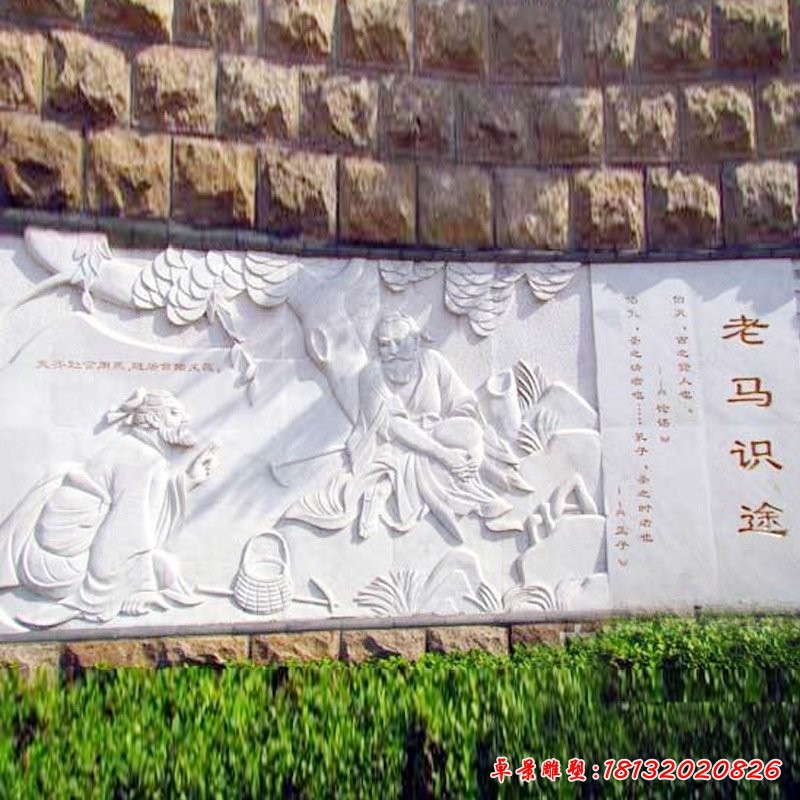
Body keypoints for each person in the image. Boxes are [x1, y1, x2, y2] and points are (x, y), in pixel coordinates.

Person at [285, 312, 514, 541]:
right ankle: (383, 492)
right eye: (385, 345)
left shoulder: (433, 362)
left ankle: (471, 495)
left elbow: (464, 403)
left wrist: (474, 448)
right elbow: (394, 426)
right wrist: (445, 455)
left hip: (435, 435)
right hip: (390, 443)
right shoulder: (373, 374)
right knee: (409, 459)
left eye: (400, 343)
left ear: (415, 341)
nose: (393, 351)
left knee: (471, 433)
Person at [0, 388, 219, 627]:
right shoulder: (141, 458)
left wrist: (187, 481)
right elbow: (124, 530)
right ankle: (84, 604)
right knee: (165, 570)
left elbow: (142, 515)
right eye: (175, 413)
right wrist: (141, 588)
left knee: (167, 570)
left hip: (63, 558)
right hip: (60, 568)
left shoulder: (139, 451)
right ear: (154, 419)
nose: (186, 419)